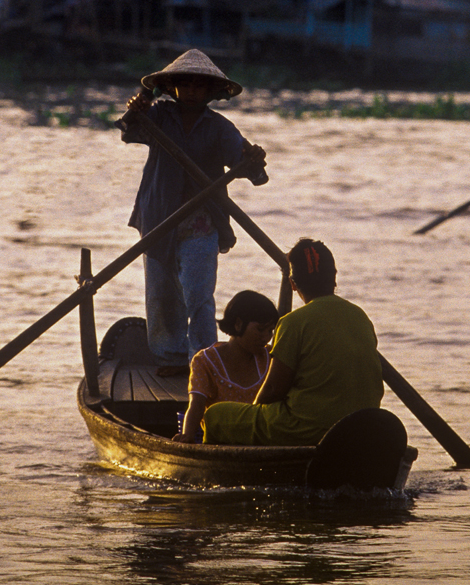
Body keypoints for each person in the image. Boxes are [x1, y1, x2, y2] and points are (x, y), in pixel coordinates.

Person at [121, 49, 268, 377]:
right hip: (159, 217)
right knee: (162, 292)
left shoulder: (219, 127)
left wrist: (253, 160)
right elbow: (129, 131)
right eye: (185, 84)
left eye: (198, 86)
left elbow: (249, 168)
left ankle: (203, 362)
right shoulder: (159, 115)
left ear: (210, 91)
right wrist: (137, 108)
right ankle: (171, 358)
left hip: (201, 221)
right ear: (172, 88)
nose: (191, 91)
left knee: (199, 295)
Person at [202, 238, 384, 447]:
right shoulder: (360, 316)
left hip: (307, 429)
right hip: (361, 425)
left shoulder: (293, 323)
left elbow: (273, 390)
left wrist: (254, 412)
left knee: (215, 415)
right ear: (334, 278)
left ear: (293, 284)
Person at [172, 290, 280, 444]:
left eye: (270, 331)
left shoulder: (270, 357)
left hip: (260, 440)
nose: (266, 337)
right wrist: (187, 435)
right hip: (220, 441)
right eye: (260, 329)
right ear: (238, 324)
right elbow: (196, 404)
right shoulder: (205, 361)